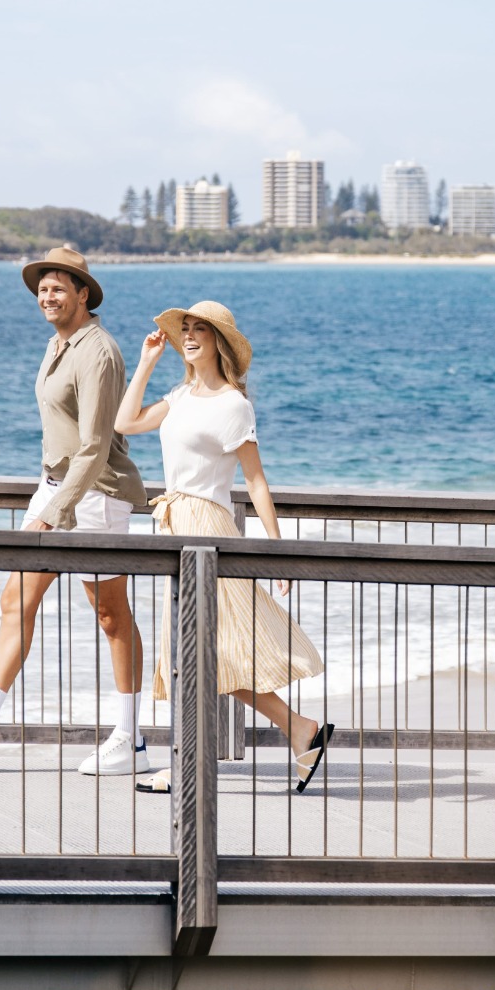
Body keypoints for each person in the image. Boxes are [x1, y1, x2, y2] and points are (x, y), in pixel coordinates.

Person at [0, 246, 153, 773]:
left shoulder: (99, 351)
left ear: (83, 293)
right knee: (16, 599)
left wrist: (55, 511)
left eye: (59, 287)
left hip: (95, 495)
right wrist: (46, 496)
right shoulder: (56, 345)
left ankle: (131, 739)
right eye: (42, 288)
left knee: (111, 615)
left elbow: (93, 445)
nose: (48, 295)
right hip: (55, 487)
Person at [111, 300, 332, 793]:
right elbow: (125, 423)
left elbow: (255, 481)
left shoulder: (234, 404)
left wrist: (277, 550)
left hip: (207, 529)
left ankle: (189, 763)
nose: (188, 336)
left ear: (218, 341)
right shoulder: (180, 396)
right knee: (208, 654)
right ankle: (300, 729)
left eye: (199, 330)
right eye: (184, 329)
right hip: (174, 528)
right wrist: (146, 363)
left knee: (205, 654)